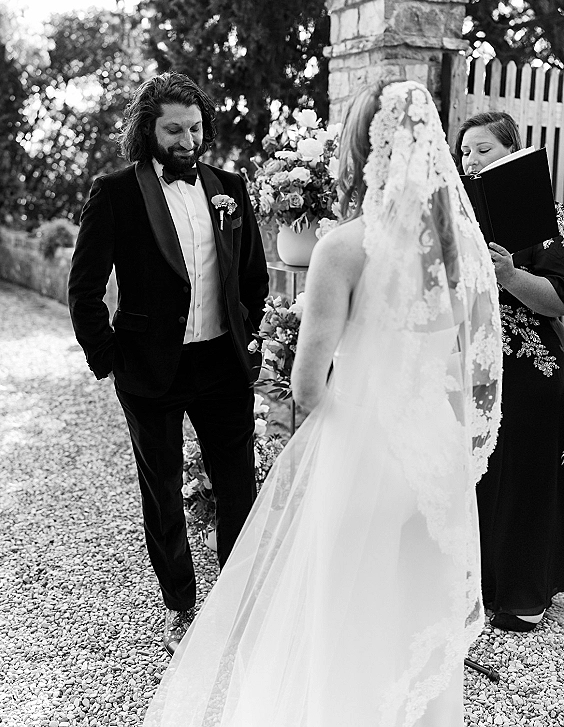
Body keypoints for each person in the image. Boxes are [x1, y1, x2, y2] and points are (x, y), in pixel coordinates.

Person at [142, 81, 502, 727]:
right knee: (418, 628)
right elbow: (473, 362)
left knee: (344, 628)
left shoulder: (345, 248)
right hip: (437, 466)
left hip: (365, 462)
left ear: (361, 152)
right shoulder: (459, 248)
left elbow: (308, 388)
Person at [68, 72, 269, 653]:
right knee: (160, 486)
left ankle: (233, 592)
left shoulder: (229, 186)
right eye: (173, 130)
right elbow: (84, 288)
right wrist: (106, 357)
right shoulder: (115, 192)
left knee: (238, 483)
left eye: (194, 128)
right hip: (149, 367)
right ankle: (180, 597)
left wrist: (250, 339)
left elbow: (252, 275)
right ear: (147, 129)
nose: (186, 141)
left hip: (222, 363)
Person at [457, 110, 564, 631]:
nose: (471, 160)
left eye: (483, 151)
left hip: (531, 369)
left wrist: (509, 274)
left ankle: (524, 593)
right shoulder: (455, 218)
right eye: (465, 152)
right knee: (476, 477)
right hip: (469, 367)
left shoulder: (549, 221)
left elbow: (558, 301)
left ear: (513, 154)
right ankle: (474, 588)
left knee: (523, 480)